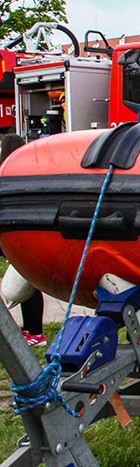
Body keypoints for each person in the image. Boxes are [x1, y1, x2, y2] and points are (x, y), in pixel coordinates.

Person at [0, 134, 45, 347]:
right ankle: (33, 330)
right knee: (29, 282)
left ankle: (34, 331)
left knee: (27, 282)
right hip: (26, 233)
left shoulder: (6, 173)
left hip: (12, 234)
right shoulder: (30, 172)